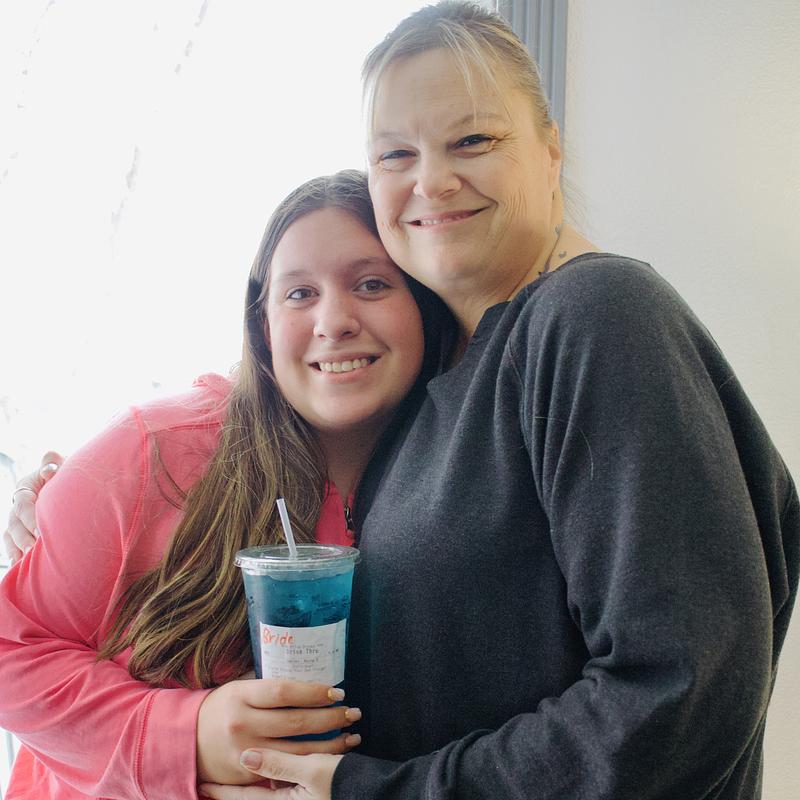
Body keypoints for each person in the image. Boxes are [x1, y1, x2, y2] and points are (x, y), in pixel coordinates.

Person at [6, 3, 799, 799]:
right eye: (395, 152)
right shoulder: (439, 395)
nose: (433, 180)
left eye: (474, 139)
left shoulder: (594, 313)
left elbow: (678, 689)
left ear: (550, 152)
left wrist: (370, 790)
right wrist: (72, 513)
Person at [0, 169, 453, 798]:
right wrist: (182, 737)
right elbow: (11, 649)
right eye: (299, 294)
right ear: (261, 325)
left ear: (426, 306)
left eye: (372, 283)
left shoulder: (475, 474)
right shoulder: (153, 453)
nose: (334, 321)